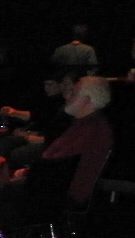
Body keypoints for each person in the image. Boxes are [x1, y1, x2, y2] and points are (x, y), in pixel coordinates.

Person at [18, 75, 113, 207]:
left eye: (73, 93)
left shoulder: (91, 129)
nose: (67, 96)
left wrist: (28, 174)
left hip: (61, 195)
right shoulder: (86, 124)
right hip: (57, 188)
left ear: (86, 99)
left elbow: (59, 164)